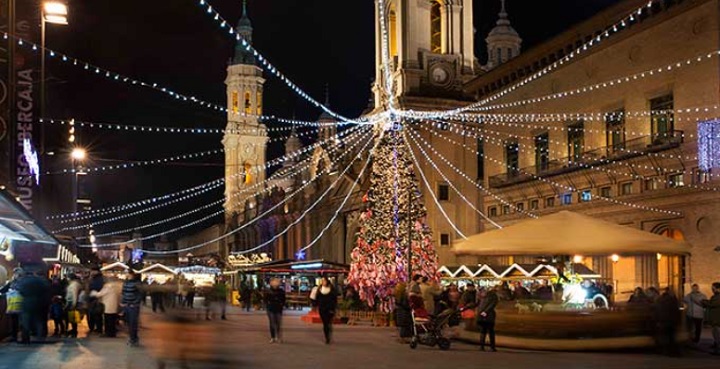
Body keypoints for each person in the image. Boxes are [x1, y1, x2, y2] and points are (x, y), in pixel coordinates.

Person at [16, 270, 51, 344]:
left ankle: (25, 338)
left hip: (27, 302)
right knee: (39, 320)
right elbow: (47, 289)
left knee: (26, 321)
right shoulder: (40, 280)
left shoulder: (23, 281)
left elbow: (20, 290)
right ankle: (40, 337)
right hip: (39, 302)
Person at [653, 287, 681, 357]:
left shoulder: (659, 300)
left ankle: (665, 351)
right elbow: (676, 312)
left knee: (664, 337)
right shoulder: (673, 300)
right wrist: (678, 321)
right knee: (671, 337)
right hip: (671, 321)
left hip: (663, 321)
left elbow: (656, 311)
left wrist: (657, 321)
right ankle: (673, 352)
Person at [121, 270, 144, 347]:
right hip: (126, 305)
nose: (126, 274)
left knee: (133, 323)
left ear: (131, 274)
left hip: (133, 306)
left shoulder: (137, 283)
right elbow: (123, 293)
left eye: (127, 273)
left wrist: (135, 303)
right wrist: (123, 302)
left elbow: (140, 294)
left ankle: (134, 339)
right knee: (128, 322)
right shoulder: (126, 282)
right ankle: (131, 337)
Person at [1, 268, 24, 342]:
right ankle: (15, 336)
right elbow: (4, 289)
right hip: (14, 305)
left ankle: (19, 336)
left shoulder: (20, 282)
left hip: (19, 304)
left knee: (19, 321)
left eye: (16, 273)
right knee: (15, 321)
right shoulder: (12, 282)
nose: (15, 275)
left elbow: (4, 290)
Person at [315, 276, 338, 344]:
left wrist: (334, 308)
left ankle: (329, 333)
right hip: (322, 309)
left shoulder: (331, 289)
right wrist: (317, 306)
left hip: (330, 308)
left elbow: (334, 300)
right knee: (325, 323)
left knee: (329, 322)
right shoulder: (319, 289)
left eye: (324, 281)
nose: (323, 282)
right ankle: (327, 337)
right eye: (322, 281)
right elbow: (317, 298)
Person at [476, 287, 498, 352]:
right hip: (482, 315)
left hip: (489, 316)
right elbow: (478, 305)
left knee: (490, 331)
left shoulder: (492, 297)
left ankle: (491, 347)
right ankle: (482, 346)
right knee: (483, 331)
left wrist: (485, 311)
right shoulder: (482, 297)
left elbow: (492, 305)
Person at [264, 278, 286, 343]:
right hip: (271, 308)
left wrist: (281, 304)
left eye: (277, 282)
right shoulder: (268, 291)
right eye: (274, 282)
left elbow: (284, 299)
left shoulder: (281, 291)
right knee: (272, 323)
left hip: (278, 308)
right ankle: (273, 337)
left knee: (278, 323)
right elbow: (265, 299)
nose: (275, 284)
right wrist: (268, 304)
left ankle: (278, 337)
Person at [702, 282, 720, 355]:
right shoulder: (715, 296)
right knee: (715, 334)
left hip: (717, 319)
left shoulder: (718, 297)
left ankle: (718, 350)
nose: (712, 289)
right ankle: (716, 347)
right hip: (715, 319)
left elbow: (713, 304)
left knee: (717, 334)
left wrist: (704, 302)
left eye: (713, 288)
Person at [87, 267, 105, 334]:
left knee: (96, 314)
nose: (91, 272)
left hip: (95, 299)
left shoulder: (98, 279)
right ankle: (96, 328)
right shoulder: (93, 278)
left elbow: (96, 288)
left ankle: (98, 329)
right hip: (93, 299)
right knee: (95, 314)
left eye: (92, 271)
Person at [65, 274, 81, 338]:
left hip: (71, 302)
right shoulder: (75, 284)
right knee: (72, 316)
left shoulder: (74, 285)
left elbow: (75, 294)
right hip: (71, 302)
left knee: (73, 317)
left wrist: (74, 303)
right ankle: (74, 329)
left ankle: (74, 330)